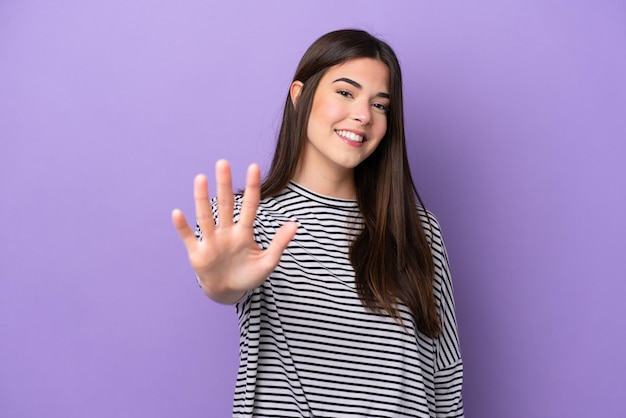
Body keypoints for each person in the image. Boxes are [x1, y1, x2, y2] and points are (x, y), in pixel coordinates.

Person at [172, 29, 464, 417]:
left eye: (380, 105)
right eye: (345, 92)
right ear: (299, 96)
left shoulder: (419, 231)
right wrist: (220, 284)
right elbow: (224, 287)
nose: (363, 115)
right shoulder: (243, 221)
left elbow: (444, 377)